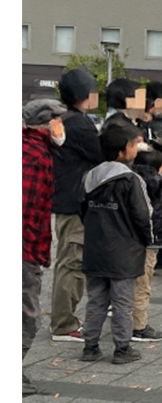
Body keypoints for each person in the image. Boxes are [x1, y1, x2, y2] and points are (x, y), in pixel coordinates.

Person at [80, 122, 153, 364]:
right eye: (134, 145)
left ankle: (90, 346)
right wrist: (147, 241)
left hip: (94, 248)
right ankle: (122, 348)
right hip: (124, 251)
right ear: (123, 151)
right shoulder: (131, 180)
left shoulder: (90, 176)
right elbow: (142, 216)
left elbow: (82, 210)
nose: (137, 148)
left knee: (96, 299)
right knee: (123, 301)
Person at [50, 66, 103, 343]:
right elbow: (100, 154)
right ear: (84, 94)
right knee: (72, 262)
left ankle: (63, 318)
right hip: (75, 202)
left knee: (66, 261)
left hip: (64, 199)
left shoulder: (64, 119)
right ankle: (63, 323)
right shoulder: (80, 124)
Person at [22, 99, 67, 395]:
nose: (63, 128)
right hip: (22, 252)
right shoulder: (35, 156)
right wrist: (34, 256)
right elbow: (27, 210)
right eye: (60, 122)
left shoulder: (32, 149)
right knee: (26, 315)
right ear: (48, 124)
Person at [130, 149, 162, 342]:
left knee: (126, 284)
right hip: (150, 240)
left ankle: (124, 321)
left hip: (128, 239)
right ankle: (138, 326)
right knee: (143, 284)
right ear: (160, 167)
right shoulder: (157, 184)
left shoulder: (129, 179)